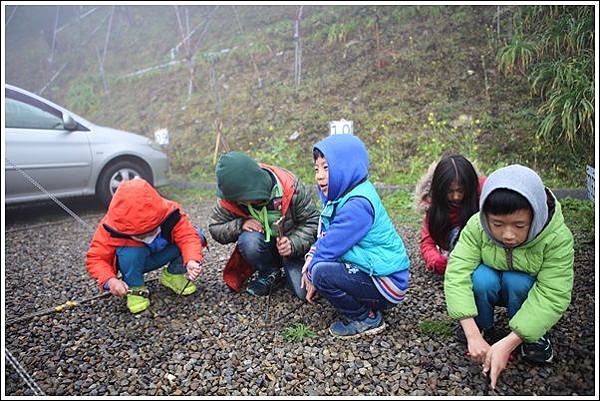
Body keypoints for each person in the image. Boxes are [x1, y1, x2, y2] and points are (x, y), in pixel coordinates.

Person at [444, 164, 574, 389]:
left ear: (537, 215)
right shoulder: (477, 226)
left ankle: (530, 336)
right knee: (481, 278)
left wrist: (510, 342)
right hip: (492, 282)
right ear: (486, 216)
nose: (508, 234)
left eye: (519, 225)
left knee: (519, 281)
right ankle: (481, 325)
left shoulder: (557, 237)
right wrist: (471, 332)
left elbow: (553, 292)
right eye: (497, 224)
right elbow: (457, 272)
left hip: (525, 288)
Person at [301, 134, 410, 338]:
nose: (319, 176)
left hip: (387, 281)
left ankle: (365, 318)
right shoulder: (346, 193)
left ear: (345, 166)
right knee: (315, 265)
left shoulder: (357, 204)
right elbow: (328, 236)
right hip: (377, 270)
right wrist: (311, 255)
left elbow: (331, 246)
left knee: (320, 273)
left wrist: (310, 272)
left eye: (327, 167)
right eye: (316, 169)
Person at [208, 151, 319, 299]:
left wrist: (293, 243)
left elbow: (314, 221)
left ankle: (289, 267)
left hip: (294, 251)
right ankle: (269, 272)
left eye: (243, 200)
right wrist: (240, 224)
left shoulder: (290, 186)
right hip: (263, 246)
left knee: (303, 293)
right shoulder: (231, 194)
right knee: (249, 241)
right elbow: (215, 227)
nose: (239, 203)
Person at [86, 178, 206, 314]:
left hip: (163, 253)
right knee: (130, 253)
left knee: (197, 235)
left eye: (151, 230)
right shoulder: (110, 226)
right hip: (135, 262)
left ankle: (173, 275)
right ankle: (135, 287)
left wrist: (191, 260)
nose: (146, 237)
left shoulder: (170, 213)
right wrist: (110, 280)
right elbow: (96, 258)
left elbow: (188, 236)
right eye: (139, 235)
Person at [414, 155, 485, 275]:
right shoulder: (432, 204)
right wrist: (436, 261)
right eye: (450, 192)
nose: (456, 196)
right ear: (440, 190)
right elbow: (427, 242)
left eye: (460, 191)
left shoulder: (484, 196)